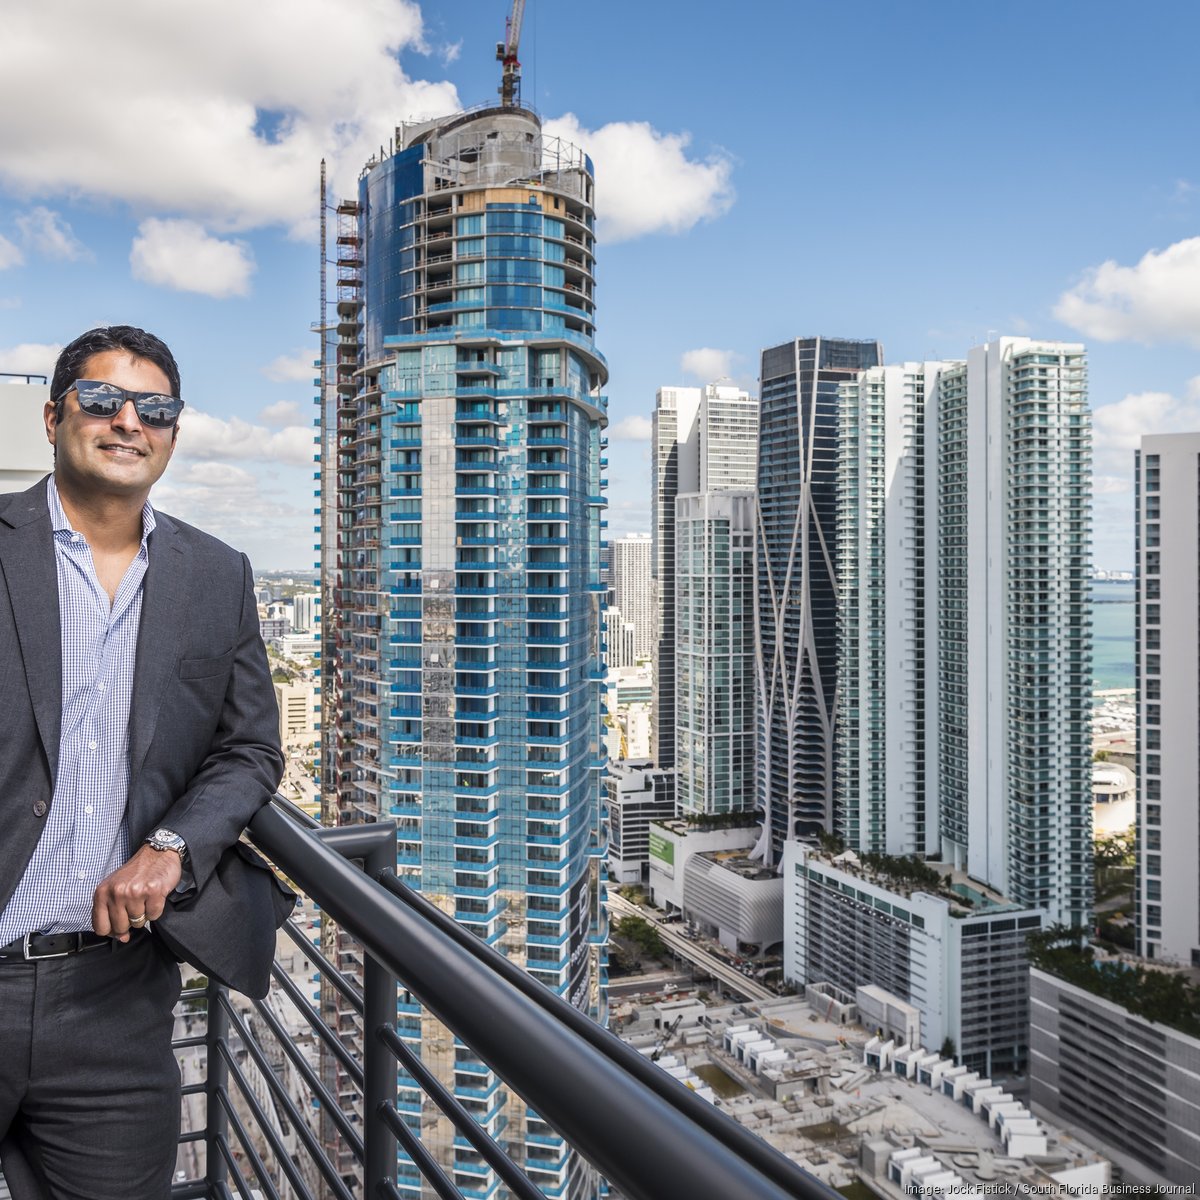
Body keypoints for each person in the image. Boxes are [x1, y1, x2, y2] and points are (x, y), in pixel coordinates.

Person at [0, 326, 288, 1199]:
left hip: (116, 995)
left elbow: (250, 746)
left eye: (155, 409)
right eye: (102, 400)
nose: (129, 421)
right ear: (54, 416)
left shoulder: (217, 574)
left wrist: (173, 845)